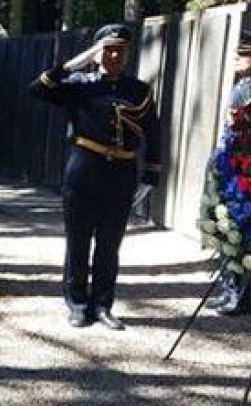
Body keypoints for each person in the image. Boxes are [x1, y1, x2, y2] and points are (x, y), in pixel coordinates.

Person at [30, 24, 161, 330]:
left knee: (109, 244)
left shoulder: (139, 91)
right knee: (78, 241)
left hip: (122, 173)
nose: (114, 55)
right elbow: (36, 89)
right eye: (108, 49)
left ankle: (102, 305)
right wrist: (72, 64)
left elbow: (153, 133)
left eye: (120, 50)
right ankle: (77, 304)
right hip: (84, 169)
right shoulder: (78, 84)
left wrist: (151, 174)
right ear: (97, 52)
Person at [207, 29, 251, 316]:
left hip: (245, 171)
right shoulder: (244, 85)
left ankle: (242, 295)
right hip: (231, 166)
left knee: (243, 234)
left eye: (245, 55)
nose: (237, 59)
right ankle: (231, 289)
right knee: (229, 230)